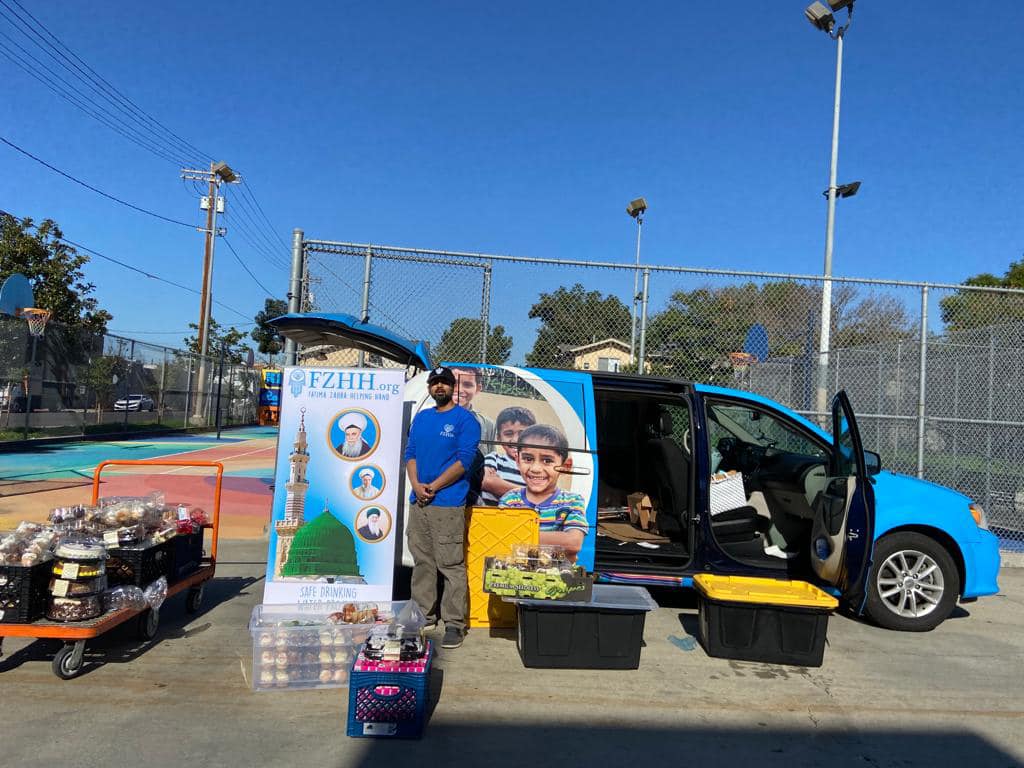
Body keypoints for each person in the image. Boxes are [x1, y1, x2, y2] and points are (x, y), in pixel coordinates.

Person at [404, 366, 482, 649]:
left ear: (452, 387)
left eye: (444, 383)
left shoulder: (465, 420)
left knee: (450, 565)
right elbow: (411, 453)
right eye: (435, 383)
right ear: (429, 388)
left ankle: (454, 624)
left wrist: (434, 487)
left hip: (447, 504)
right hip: (419, 502)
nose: (439, 387)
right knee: (423, 562)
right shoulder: (423, 418)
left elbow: (464, 461)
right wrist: (416, 485)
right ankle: (423, 617)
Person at [499, 424, 588, 561]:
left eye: (547, 461)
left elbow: (573, 543)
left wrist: (518, 537)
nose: (535, 468)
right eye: (528, 459)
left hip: (557, 574)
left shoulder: (572, 501)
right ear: (517, 460)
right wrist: (557, 541)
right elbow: (501, 538)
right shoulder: (510, 500)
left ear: (566, 466)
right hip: (516, 573)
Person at [480, 406, 536, 505]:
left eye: (522, 434)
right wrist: (531, 494)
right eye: (508, 434)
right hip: (491, 514)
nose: (515, 440)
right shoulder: (494, 459)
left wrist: (499, 484)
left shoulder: (537, 466)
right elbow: (486, 481)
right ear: (498, 438)